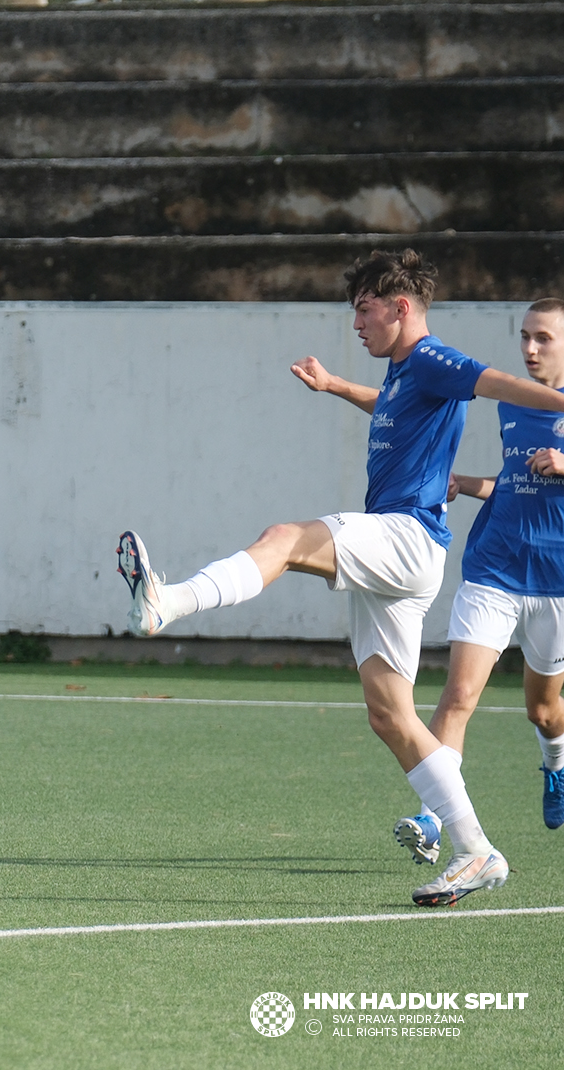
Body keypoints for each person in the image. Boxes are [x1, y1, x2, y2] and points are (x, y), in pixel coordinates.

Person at [116, 249, 564, 908]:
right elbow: (387, 403)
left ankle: (168, 601)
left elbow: (492, 381)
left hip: (407, 537)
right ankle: (477, 853)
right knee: (391, 715)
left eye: (364, 308)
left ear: (401, 308)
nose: (356, 323)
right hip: (407, 558)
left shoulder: (435, 359)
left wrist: (558, 400)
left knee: (284, 539)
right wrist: (333, 387)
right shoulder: (407, 376)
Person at [395, 298, 564, 857]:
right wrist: (469, 483)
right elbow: (517, 482)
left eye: (543, 338)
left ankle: (555, 764)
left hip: (557, 584)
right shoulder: (512, 403)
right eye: (524, 337)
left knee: (543, 710)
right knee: (459, 694)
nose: (530, 349)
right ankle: (433, 817)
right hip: (494, 568)